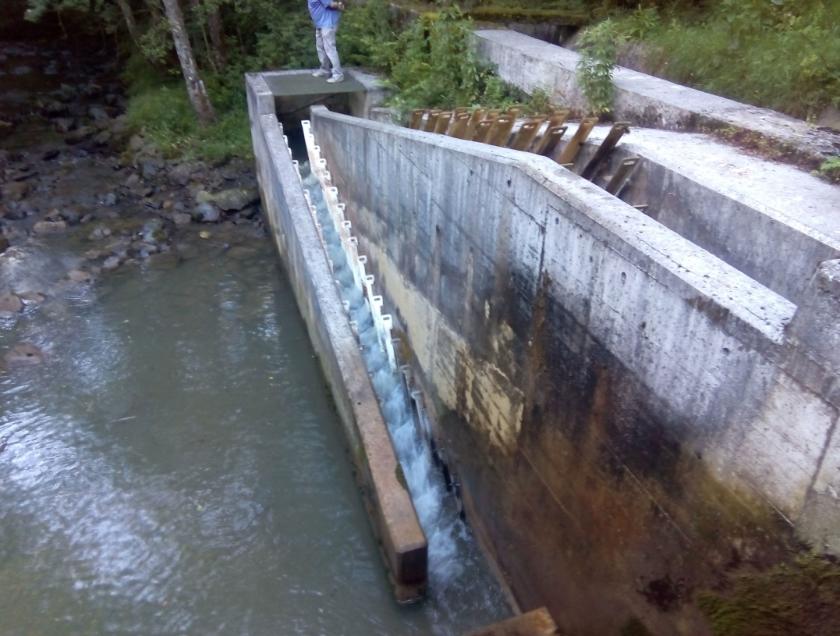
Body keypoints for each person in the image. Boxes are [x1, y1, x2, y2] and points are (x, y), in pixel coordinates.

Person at [308, 0, 345, 84]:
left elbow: (332, 4)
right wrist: (340, 5)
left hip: (328, 24)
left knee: (330, 50)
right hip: (320, 24)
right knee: (320, 48)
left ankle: (338, 75)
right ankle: (325, 69)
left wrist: (339, 4)